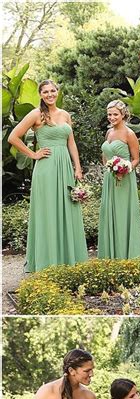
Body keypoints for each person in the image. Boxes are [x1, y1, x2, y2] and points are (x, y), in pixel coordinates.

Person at [8, 79, 88, 272]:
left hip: (65, 168)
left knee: (67, 208)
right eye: (45, 92)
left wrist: (77, 168)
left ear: (57, 92)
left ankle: (68, 258)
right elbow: (13, 137)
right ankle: (48, 260)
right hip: (46, 169)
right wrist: (33, 154)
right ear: (40, 94)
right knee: (49, 211)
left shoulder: (65, 115)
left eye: (53, 91)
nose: (50, 94)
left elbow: (71, 143)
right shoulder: (36, 114)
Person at [98, 100, 140, 259]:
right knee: (110, 213)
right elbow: (105, 155)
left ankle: (125, 253)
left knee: (123, 214)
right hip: (110, 179)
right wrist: (109, 166)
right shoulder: (108, 133)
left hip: (124, 180)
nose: (112, 117)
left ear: (123, 114)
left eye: (115, 114)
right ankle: (110, 254)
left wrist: (125, 168)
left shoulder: (129, 134)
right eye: (109, 114)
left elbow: (136, 159)